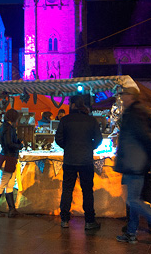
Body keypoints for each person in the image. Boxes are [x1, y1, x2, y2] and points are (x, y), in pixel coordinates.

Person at [113, 87, 151, 245]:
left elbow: (147, 137)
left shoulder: (135, 113)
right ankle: (131, 232)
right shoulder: (133, 112)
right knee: (132, 200)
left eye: (124, 94)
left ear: (131, 96)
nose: (122, 97)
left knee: (133, 200)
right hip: (132, 161)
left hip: (135, 162)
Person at [55, 96, 102, 230]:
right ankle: (89, 221)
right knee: (87, 191)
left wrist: (68, 147)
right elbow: (98, 139)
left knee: (67, 189)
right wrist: (89, 147)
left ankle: (64, 219)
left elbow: (58, 138)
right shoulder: (91, 120)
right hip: (86, 161)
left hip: (70, 160)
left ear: (73, 105)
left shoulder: (65, 120)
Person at [0, 109, 23, 217]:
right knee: (3, 183)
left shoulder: (5, 127)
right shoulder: (9, 128)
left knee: (10, 184)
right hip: (8, 158)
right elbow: (9, 144)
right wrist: (19, 145)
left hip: (8, 157)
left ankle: (12, 209)